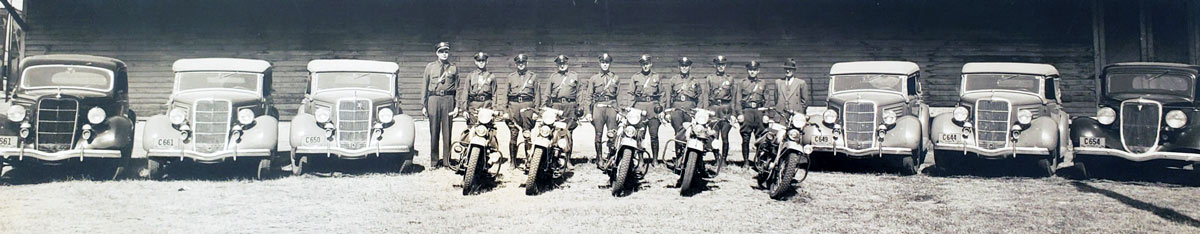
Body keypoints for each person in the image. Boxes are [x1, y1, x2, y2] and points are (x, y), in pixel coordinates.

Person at [421, 42, 460, 169]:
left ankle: (447, 161)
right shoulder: (430, 67)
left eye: (446, 51)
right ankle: (434, 161)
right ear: (437, 53)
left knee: (447, 131)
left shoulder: (453, 68)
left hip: (448, 99)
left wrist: (457, 106)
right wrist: (424, 105)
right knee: (434, 130)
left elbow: (457, 88)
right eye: (442, 51)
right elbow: (424, 87)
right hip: (434, 99)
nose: (444, 54)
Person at [627, 54, 665, 163]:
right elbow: (630, 93)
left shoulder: (656, 77)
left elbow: (662, 94)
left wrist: (661, 109)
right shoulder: (635, 77)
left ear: (651, 64)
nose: (645, 66)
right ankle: (641, 160)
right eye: (643, 64)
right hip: (639, 107)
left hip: (653, 107)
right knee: (640, 134)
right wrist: (630, 108)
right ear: (641, 65)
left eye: (647, 64)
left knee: (654, 134)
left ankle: (654, 160)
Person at [503, 54, 539, 167]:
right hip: (513, 106)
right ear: (516, 64)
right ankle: (512, 162)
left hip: (527, 106)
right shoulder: (511, 77)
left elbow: (537, 94)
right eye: (519, 63)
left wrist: (536, 111)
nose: (521, 65)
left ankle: (528, 161)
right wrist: (505, 110)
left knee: (527, 133)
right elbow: (505, 95)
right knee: (513, 133)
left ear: (526, 63)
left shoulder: (533, 77)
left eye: (523, 63)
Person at [544, 55, 582, 160]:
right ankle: (553, 158)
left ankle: (568, 160)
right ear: (557, 65)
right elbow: (547, 93)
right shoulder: (553, 77)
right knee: (555, 131)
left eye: (564, 63)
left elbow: (579, 93)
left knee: (569, 132)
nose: (562, 66)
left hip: (570, 107)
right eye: (560, 64)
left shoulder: (574, 76)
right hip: (556, 106)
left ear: (567, 64)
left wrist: (580, 106)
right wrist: (544, 106)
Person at [666, 57, 702, 164]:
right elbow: (668, 97)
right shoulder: (673, 80)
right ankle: (679, 157)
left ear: (690, 67)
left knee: (693, 132)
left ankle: (693, 158)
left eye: (686, 66)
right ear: (679, 67)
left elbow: (699, 97)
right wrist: (668, 112)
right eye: (682, 66)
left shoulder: (695, 81)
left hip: (691, 109)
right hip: (677, 108)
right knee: (679, 132)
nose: (684, 68)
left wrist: (698, 111)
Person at [588, 53, 621, 163]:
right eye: (603, 63)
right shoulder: (594, 78)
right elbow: (589, 96)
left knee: (612, 134)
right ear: (600, 63)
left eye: (607, 63)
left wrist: (619, 112)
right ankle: (599, 158)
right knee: (598, 134)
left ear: (610, 63)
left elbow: (618, 96)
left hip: (611, 107)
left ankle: (611, 158)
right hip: (598, 108)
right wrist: (588, 112)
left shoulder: (615, 78)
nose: (605, 65)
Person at [705, 55, 735, 170]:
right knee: (714, 135)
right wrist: (706, 111)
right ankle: (717, 158)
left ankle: (724, 160)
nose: (720, 67)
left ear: (725, 66)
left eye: (722, 65)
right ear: (715, 66)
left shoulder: (730, 79)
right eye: (718, 65)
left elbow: (734, 96)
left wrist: (733, 114)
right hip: (714, 108)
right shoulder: (710, 78)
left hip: (726, 109)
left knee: (725, 136)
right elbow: (706, 95)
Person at [736, 60, 768, 167]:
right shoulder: (742, 83)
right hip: (747, 112)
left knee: (760, 138)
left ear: (758, 71)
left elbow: (767, 100)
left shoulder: (763, 83)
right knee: (746, 137)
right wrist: (739, 113)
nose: (752, 72)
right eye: (750, 70)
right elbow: (738, 100)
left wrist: (766, 115)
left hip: (759, 112)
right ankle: (745, 161)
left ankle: (759, 161)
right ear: (747, 70)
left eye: (754, 70)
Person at [462, 52, 497, 122]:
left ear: (487, 61)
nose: (481, 63)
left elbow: (494, 94)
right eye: (479, 61)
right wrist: (464, 109)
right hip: (473, 107)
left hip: (486, 106)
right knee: (472, 129)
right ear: (475, 62)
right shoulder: (470, 76)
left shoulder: (491, 76)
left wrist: (494, 109)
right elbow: (465, 92)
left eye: (483, 61)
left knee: (486, 130)